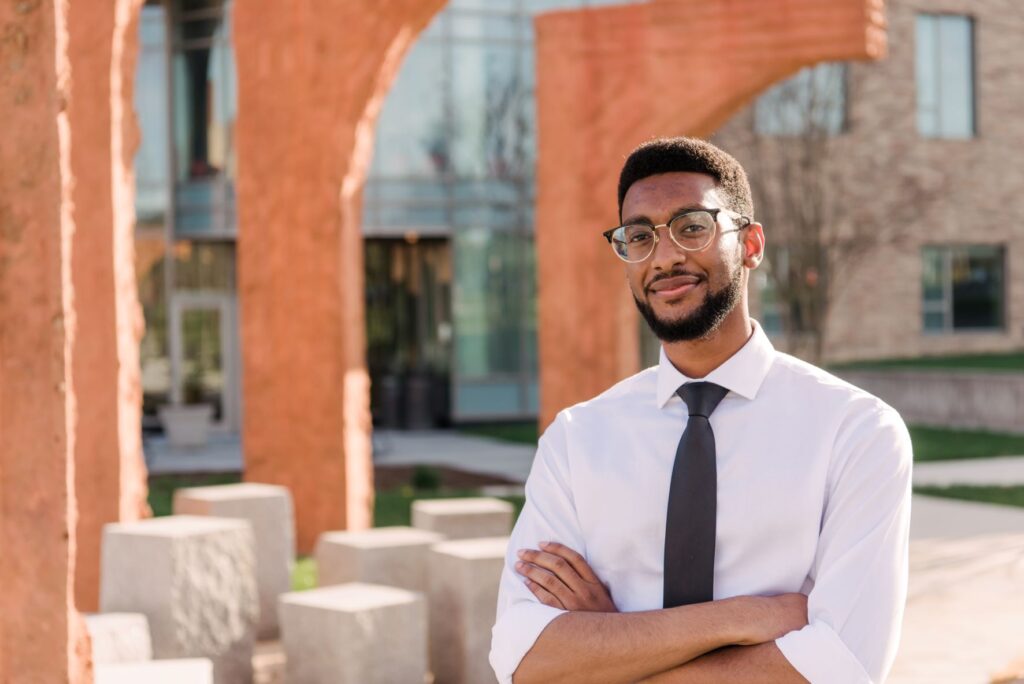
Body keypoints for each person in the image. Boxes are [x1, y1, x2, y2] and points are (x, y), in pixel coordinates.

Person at [489, 137, 912, 684]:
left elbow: (840, 666)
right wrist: (748, 617)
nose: (664, 257)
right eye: (638, 237)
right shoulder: (577, 439)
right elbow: (523, 660)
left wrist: (612, 643)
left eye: (692, 226)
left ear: (751, 243)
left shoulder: (856, 432)